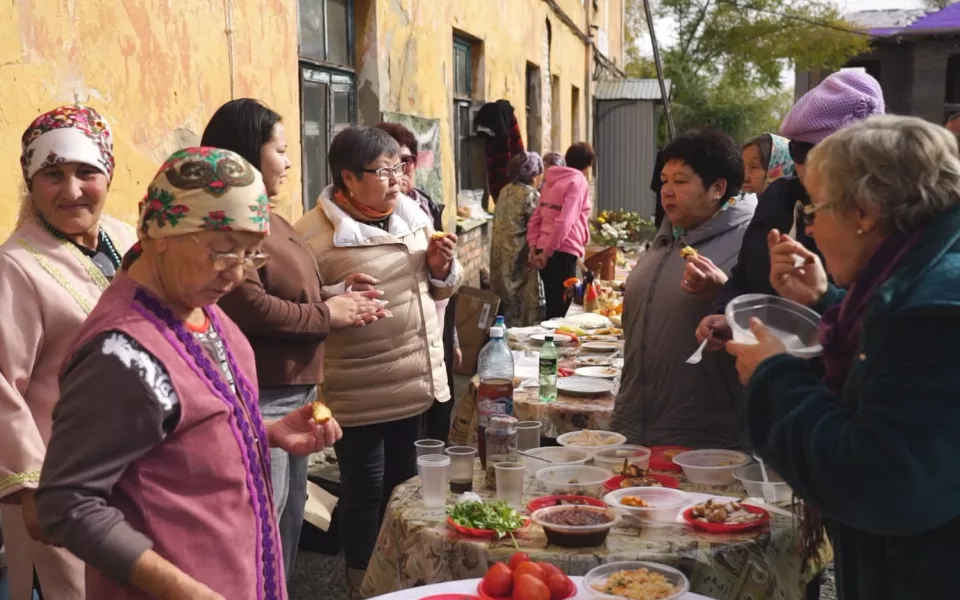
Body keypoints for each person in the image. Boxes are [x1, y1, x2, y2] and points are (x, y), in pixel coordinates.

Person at [36, 147, 343, 600]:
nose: (237, 274)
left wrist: (265, 431)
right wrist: (188, 592)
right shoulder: (120, 354)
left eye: (251, 256)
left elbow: (176, 434)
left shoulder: (196, 304)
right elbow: (66, 504)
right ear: (162, 232)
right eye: (222, 252)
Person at [727, 116, 960, 600]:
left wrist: (775, 377)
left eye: (816, 206)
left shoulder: (932, 312)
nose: (808, 225)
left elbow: (882, 482)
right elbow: (891, 371)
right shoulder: (927, 270)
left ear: (866, 212)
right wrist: (826, 300)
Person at [202, 99, 383, 580]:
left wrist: (336, 292)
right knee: (265, 525)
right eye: (279, 150)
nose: (287, 161)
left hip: (295, 393)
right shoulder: (227, 223)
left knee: (286, 520)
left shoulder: (272, 217)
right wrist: (328, 313)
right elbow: (249, 305)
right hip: (264, 394)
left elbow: (291, 288)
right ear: (247, 153)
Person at [295, 126, 461, 596]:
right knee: (364, 489)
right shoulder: (311, 234)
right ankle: (362, 584)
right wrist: (333, 296)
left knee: (404, 487)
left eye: (399, 168)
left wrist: (441, 267)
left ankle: (403, 580)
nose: (395, 180)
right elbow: (300, 303)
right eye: (382, 171)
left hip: (411, 378)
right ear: (348, 178)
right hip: (356, 387)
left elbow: (440, 289)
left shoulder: (412, 214)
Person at [0, 105, 137, 600]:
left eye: (87, 172)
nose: (72, 190)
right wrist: (32, 489)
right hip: (61, 482)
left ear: (109, 173)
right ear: (30, 181)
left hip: (133, 466)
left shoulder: (124, 240)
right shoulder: (16, 267)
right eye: (52, 174)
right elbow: (3, 388)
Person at [695, 70, 885, 350]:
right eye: (800, 151)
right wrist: (726, 315)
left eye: (823, 153)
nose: (810, 166)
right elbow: (745, 276)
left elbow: (881, 330)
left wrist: (821, 297)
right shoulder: (779, 196)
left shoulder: (887, 222)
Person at [610, 129, 755, 449]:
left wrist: (723, 294)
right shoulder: (666, 237)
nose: (667, 191)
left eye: (681, 180)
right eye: (664, 180)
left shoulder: (750, 242)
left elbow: (768, 330)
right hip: (636, 424)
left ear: (717, 188)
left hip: (706, 437)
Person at [374, 121, 462, 442]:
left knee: (439, 428)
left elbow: (444, 281)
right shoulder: (371, 218)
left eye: (407, 161)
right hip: (401, 351)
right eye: (391, 164)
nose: (401, 172)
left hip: (437, 337)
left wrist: (451, 337)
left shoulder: (426, 206)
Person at [682, 134, 793, 297]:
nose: (745, 176)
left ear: (778, 166)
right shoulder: (754, 215)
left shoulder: (795, 222)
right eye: (743, 168)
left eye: (754, 167)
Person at [527, 142, 595, 319]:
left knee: (552, 307)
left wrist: (535, 248)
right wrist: (547, 252)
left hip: (545, 250)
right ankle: (553, 345)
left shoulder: (551, 181)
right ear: (588, 166)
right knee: (562, 310)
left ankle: (548, 344)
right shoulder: (578, 181)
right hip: (563, 251)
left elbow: (537, 217)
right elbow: (565, 221)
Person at [490, 151, 545, 327]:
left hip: (500, 260)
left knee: (505, 307)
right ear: (534, 176)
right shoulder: (530, 195)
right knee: (523, 311)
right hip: (517, 261)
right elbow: (539, 228)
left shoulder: (505, 191)